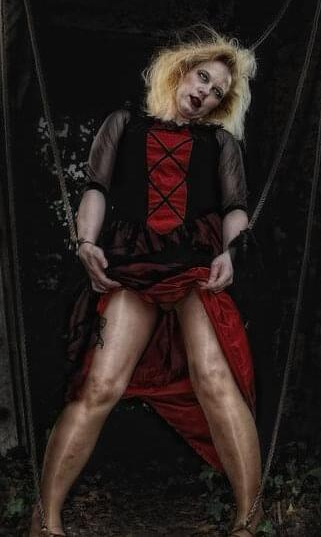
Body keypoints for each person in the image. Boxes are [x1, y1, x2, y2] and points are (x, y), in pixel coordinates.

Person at [29, 28, 263, 537]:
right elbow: (96, 188)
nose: (206, 92)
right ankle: (45, 524)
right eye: (203, 77)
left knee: (214, 377)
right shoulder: (122, 124)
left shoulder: (221, 143)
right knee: (100, 385)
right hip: (132, 262)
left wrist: (231, 253)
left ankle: (248, 522)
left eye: (218, 92)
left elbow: (234, 208)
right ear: (181, 71)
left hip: (194, 263)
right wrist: (86, 243)